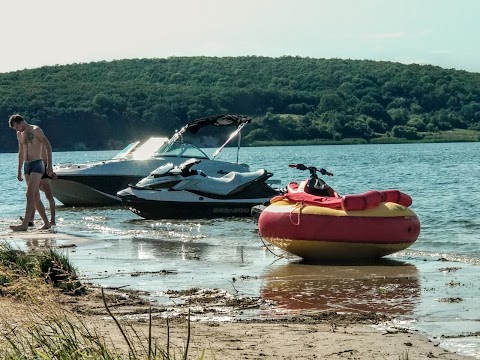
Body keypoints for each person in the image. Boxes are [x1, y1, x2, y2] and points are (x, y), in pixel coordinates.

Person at [8, 114, 54, 231]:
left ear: (21, 122)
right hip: (27, 166)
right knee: (35, 196)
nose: (17, 130)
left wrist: (49, 166)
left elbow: (48, 146)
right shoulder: (19, 134)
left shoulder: (36, 130)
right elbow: (20, 152)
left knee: (29, 194)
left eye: (16, 127)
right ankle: (46, 223)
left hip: (37, 164)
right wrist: (19, 169)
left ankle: (25, 224)